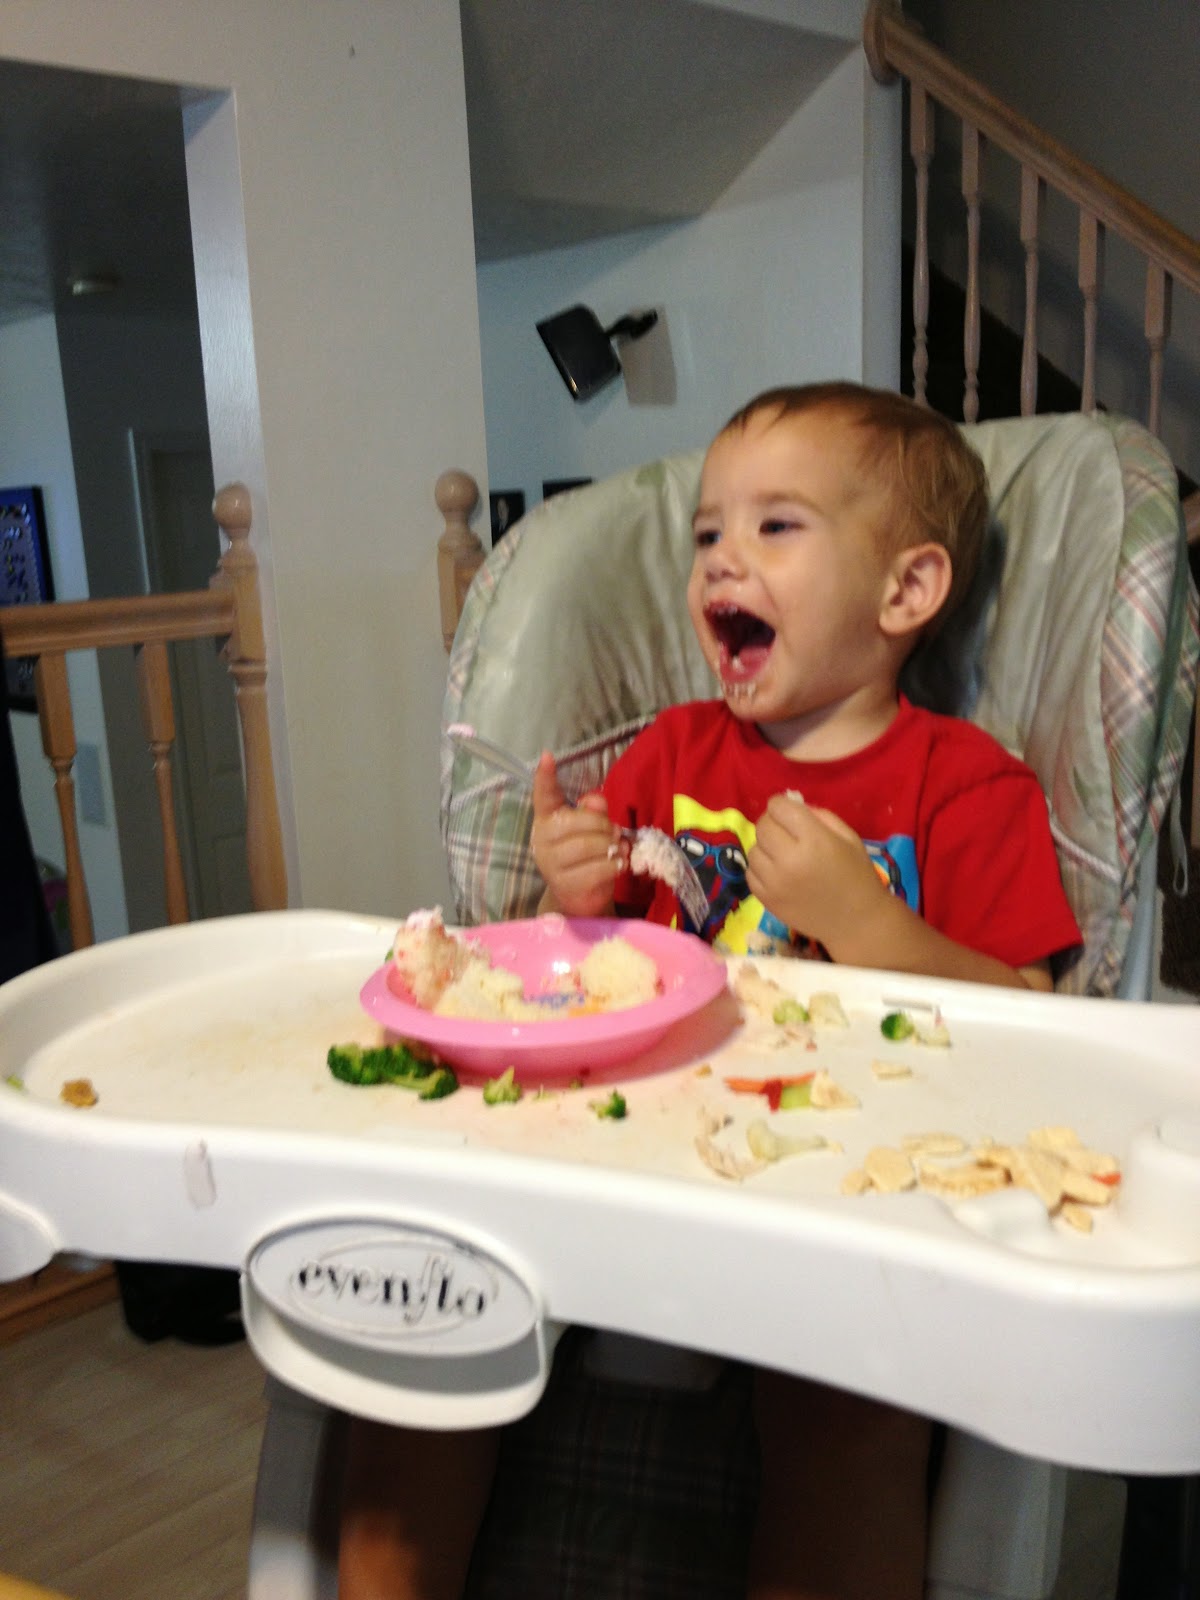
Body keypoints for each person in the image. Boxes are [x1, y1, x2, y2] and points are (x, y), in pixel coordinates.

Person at [339, 382, 1081, 1600]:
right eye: (706, 533)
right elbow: (587, 975)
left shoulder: (964, 784)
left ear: (907, 590)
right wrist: (572, 890)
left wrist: (865, 922)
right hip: (621, 1156)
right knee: (422, 1326)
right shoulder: (671, 754)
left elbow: (1035, 1012)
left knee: (853, 1413)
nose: (723, 557)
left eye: (776, 526)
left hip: (836, 1185)